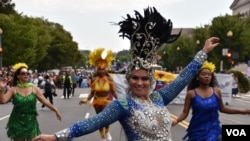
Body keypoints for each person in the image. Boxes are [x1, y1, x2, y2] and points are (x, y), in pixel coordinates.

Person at [32, 7, 220, 141]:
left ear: (151, 79)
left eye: (144, 78)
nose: (140, 82)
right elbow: (92, 123)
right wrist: (56, 136)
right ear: (128, 80)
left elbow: (183, 79)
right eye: (135, 78)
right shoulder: (123, 105)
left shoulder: (159, 98)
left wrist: (202, 52)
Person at [172, 61, 250, 141]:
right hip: (196, 129)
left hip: (213, 129)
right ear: (197, 77)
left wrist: (242, 111)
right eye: (203, 74)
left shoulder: (217, 91)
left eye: (209, 75)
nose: (207, 76)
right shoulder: (191, 93)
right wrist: (176, 120)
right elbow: (185, 113)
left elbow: (222, 109)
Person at [0, 63, 62, 141]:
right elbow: (3, 100)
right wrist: (2, 89)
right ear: (18, 76)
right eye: (23, 73)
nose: (26, 75)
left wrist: (55, 110)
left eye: (27, 73)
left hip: (31, 120)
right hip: (17, 120)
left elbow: (45, 101)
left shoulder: (34, 88)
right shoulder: (13, 89)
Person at [79, 48, 118, 141]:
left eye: (103, 69)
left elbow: (113, 92)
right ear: (97, 69)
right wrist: (85, 100)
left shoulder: (109, 80)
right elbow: (92, 93)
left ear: (105, 70)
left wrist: (119, 99)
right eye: (99, 69)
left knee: (106, 118)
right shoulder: (94, 80)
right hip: (96, 102)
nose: (101, 71)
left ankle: (107, 131)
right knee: (99, 119)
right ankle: (102, 137)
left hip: (107, 100)